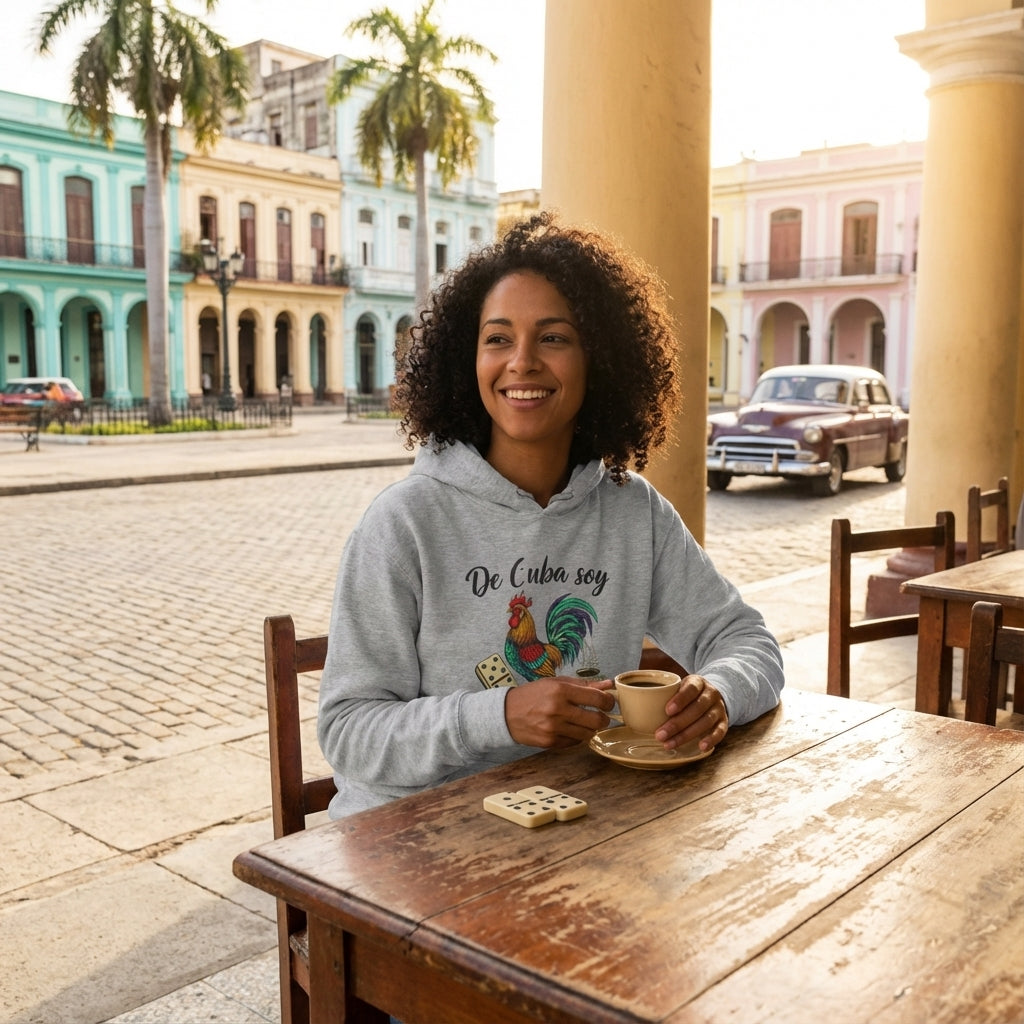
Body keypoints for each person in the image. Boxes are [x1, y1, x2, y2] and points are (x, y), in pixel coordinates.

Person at [318, 212, 784, 819]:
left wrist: (721, 692)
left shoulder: (631, 510)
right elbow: (349, 733)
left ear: (601, 360)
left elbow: (749, 642)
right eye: (498, 338)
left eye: (554, 337)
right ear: (468, 360)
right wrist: (501, 715)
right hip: (413, 838)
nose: (523, 362)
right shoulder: (404, 522)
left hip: (572, 820)